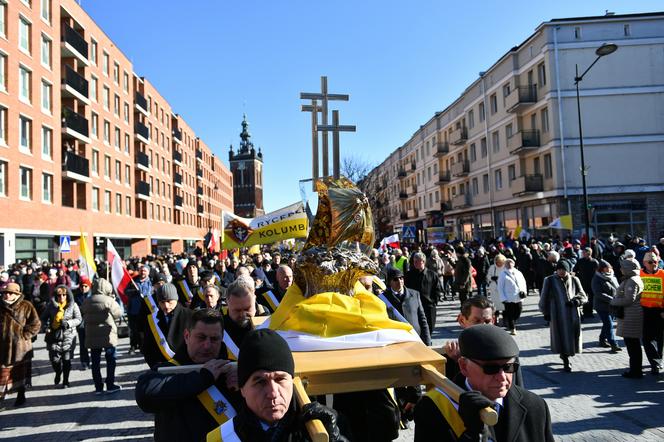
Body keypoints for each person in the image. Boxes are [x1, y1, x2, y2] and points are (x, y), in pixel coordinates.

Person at [414, 325, 553, 442]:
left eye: (509, 367)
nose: (502, 377)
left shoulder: (535, 406)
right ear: (463, 366)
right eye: (491, 368)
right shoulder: (434, 408)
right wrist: (472, 434)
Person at [206, 329, 347, 442]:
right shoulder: (221, 438)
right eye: (260, 382)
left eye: (280, 379)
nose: (273, 393)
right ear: (242, 389)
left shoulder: (326, 426)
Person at [135, 309, 242, 442]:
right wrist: (204, 377)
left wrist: (244, 387)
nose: (207, 345)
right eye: (201, 337)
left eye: (214, 339)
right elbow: (145, 395)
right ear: (186, 336)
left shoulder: (234, 369)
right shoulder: (168, 369)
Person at [538, 260, 587, 372]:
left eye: (563, 269)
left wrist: (576, 301)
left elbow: (583, 295)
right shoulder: (549, 280)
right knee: (560, 336)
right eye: (559, 269)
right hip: (557, 314)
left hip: (573, 314)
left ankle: (567, 354)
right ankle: (565, 359)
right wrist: (545, 312)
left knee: (573, 336)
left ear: (568, 270)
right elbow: (543, 297)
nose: (561, 271)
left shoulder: (574, 279)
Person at [0, 282, 41, 407]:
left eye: (10, 293)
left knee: (19, 372)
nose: (7, 295)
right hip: (2, 347)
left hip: (20, 348)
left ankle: (21, 394)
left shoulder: (26, 306)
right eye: (5, 293)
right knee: (2, 373)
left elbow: (36, 323)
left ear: (17, 294)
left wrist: (25, 335)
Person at [81, 278, 123, 394]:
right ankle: (110, 384)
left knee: (95, 362)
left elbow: (82, 312)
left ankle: (98, 387)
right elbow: (118, 314)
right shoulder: (109, 300)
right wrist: (113, 300)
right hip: (107, 335)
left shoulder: (87, 301)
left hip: (92, 335)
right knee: (110, 360)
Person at [142, 283, 192, 369]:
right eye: (162, 302)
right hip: (161, 367)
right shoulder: (151, 320)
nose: (166, 306)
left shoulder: (190, 315)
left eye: (169, 301)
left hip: (186, 365)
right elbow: (147, 348)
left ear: (176, 299)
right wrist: (155, 366)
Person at [41, 285, 82, 388]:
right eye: (59, 295)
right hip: (54, 336)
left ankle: (66, 381)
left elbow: (78, 319)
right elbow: (43, 318)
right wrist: (46, 326)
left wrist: (69, 323)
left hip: (68, 336)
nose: (62, 297)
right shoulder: (51, 306)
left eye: (64, 295)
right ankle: (58, 372)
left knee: (66, 359)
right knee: (55, 360)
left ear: (68, 295)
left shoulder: (73, 305)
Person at [611, 257, 645, 378]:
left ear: (628, 268)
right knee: (633, 345)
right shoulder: (633, 278)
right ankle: (635, 369)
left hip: (631, 316)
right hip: (631, 315)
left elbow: (629, 299)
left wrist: (614, 301)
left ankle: (635, 371)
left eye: (623, 267)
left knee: (632, 345)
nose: (621, 269)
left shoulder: (632, 281)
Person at [222, 276, 269, 360]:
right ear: (227, 303)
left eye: (247, 309)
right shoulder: (220, 329)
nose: (243, 314)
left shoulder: (267, 321)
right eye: (237, 310)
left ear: (254, 299)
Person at [383, 268, 431, 345]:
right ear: (389, 282)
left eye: (401, 278)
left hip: (415, 338)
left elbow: (422, 320)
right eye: (395, 279)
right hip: (396, 341)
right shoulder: (383, 298)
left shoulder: (415, 294)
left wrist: (427, 341)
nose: (399, 281)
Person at [405, 253, 443, 339]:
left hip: (428, 306)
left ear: (423, 262)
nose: (415, 263)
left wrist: (434, 301)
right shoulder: (409, 275)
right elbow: (406, 288)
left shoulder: (432, 274)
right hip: (414, 305)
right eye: (414, 261)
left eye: (417, 261)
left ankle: (428, 343)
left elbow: (437, 289)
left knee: (430, 327)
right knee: (416, 327)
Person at [639, 251, 664, 375]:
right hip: (644, 311)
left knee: (660, 338)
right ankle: (655, 362)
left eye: (655, 262)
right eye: (650, 262)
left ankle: (658, 360)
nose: (653, 264)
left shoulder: (663, 274)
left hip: (660, 312)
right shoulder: (639, 274)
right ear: (644, 263)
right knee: (647, 339)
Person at [591, 260, 621, 352]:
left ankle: (602, 340)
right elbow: (598, 293)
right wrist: (611, 299)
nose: (609, 269)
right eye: (606, 268)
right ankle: (613, 344)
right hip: (602, 306)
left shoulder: (612, 276)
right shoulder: (596, 278)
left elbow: (617, 288)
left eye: (610, 267)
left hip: (613, 305)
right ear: (601, 269)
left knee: (607, 324)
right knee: (609, 324)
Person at [498, 259, 527, 335]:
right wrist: (503, 298)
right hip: (508, 298)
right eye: (507, 263)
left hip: (518, 296)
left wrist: (524, 292)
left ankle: (512, 322)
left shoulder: (518, 272)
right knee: (510, 313)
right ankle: (512, 328)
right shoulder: (502, 274)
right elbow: (500, 287)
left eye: (511, 263)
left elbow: (523, 282)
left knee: (518, 311)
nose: (509, 264)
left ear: (513, 264)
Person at [573, 248, 599, 319]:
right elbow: (575, 270)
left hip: (592, 283)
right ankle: (584, 311)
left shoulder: (594, 262)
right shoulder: (580, 261)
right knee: (583, 297)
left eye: (584, 252)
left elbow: (598, 272)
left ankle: (589, 312)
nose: (582, 253)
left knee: (591, 298)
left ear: (589, 253)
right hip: (582, 282)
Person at [74, 276, 92, 369]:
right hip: (81, 323)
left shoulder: (93, 296)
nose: (83, 288)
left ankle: (94, 360)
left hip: (92, 322)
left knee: (93, 343)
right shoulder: (76, 296)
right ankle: (84, 362)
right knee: (83, 343)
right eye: (82, 286)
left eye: (86, 286)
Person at [486, 254, 506, 325]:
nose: (499, 263)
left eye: (500, 262)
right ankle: (496, 319)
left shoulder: (505, 268)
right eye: (497, 262)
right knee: (495, 305)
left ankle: (505, 319)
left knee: (504, 305)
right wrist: (492, 278)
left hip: (504, 288)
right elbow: (488, 275)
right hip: (494, 288)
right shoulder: (492, 267)